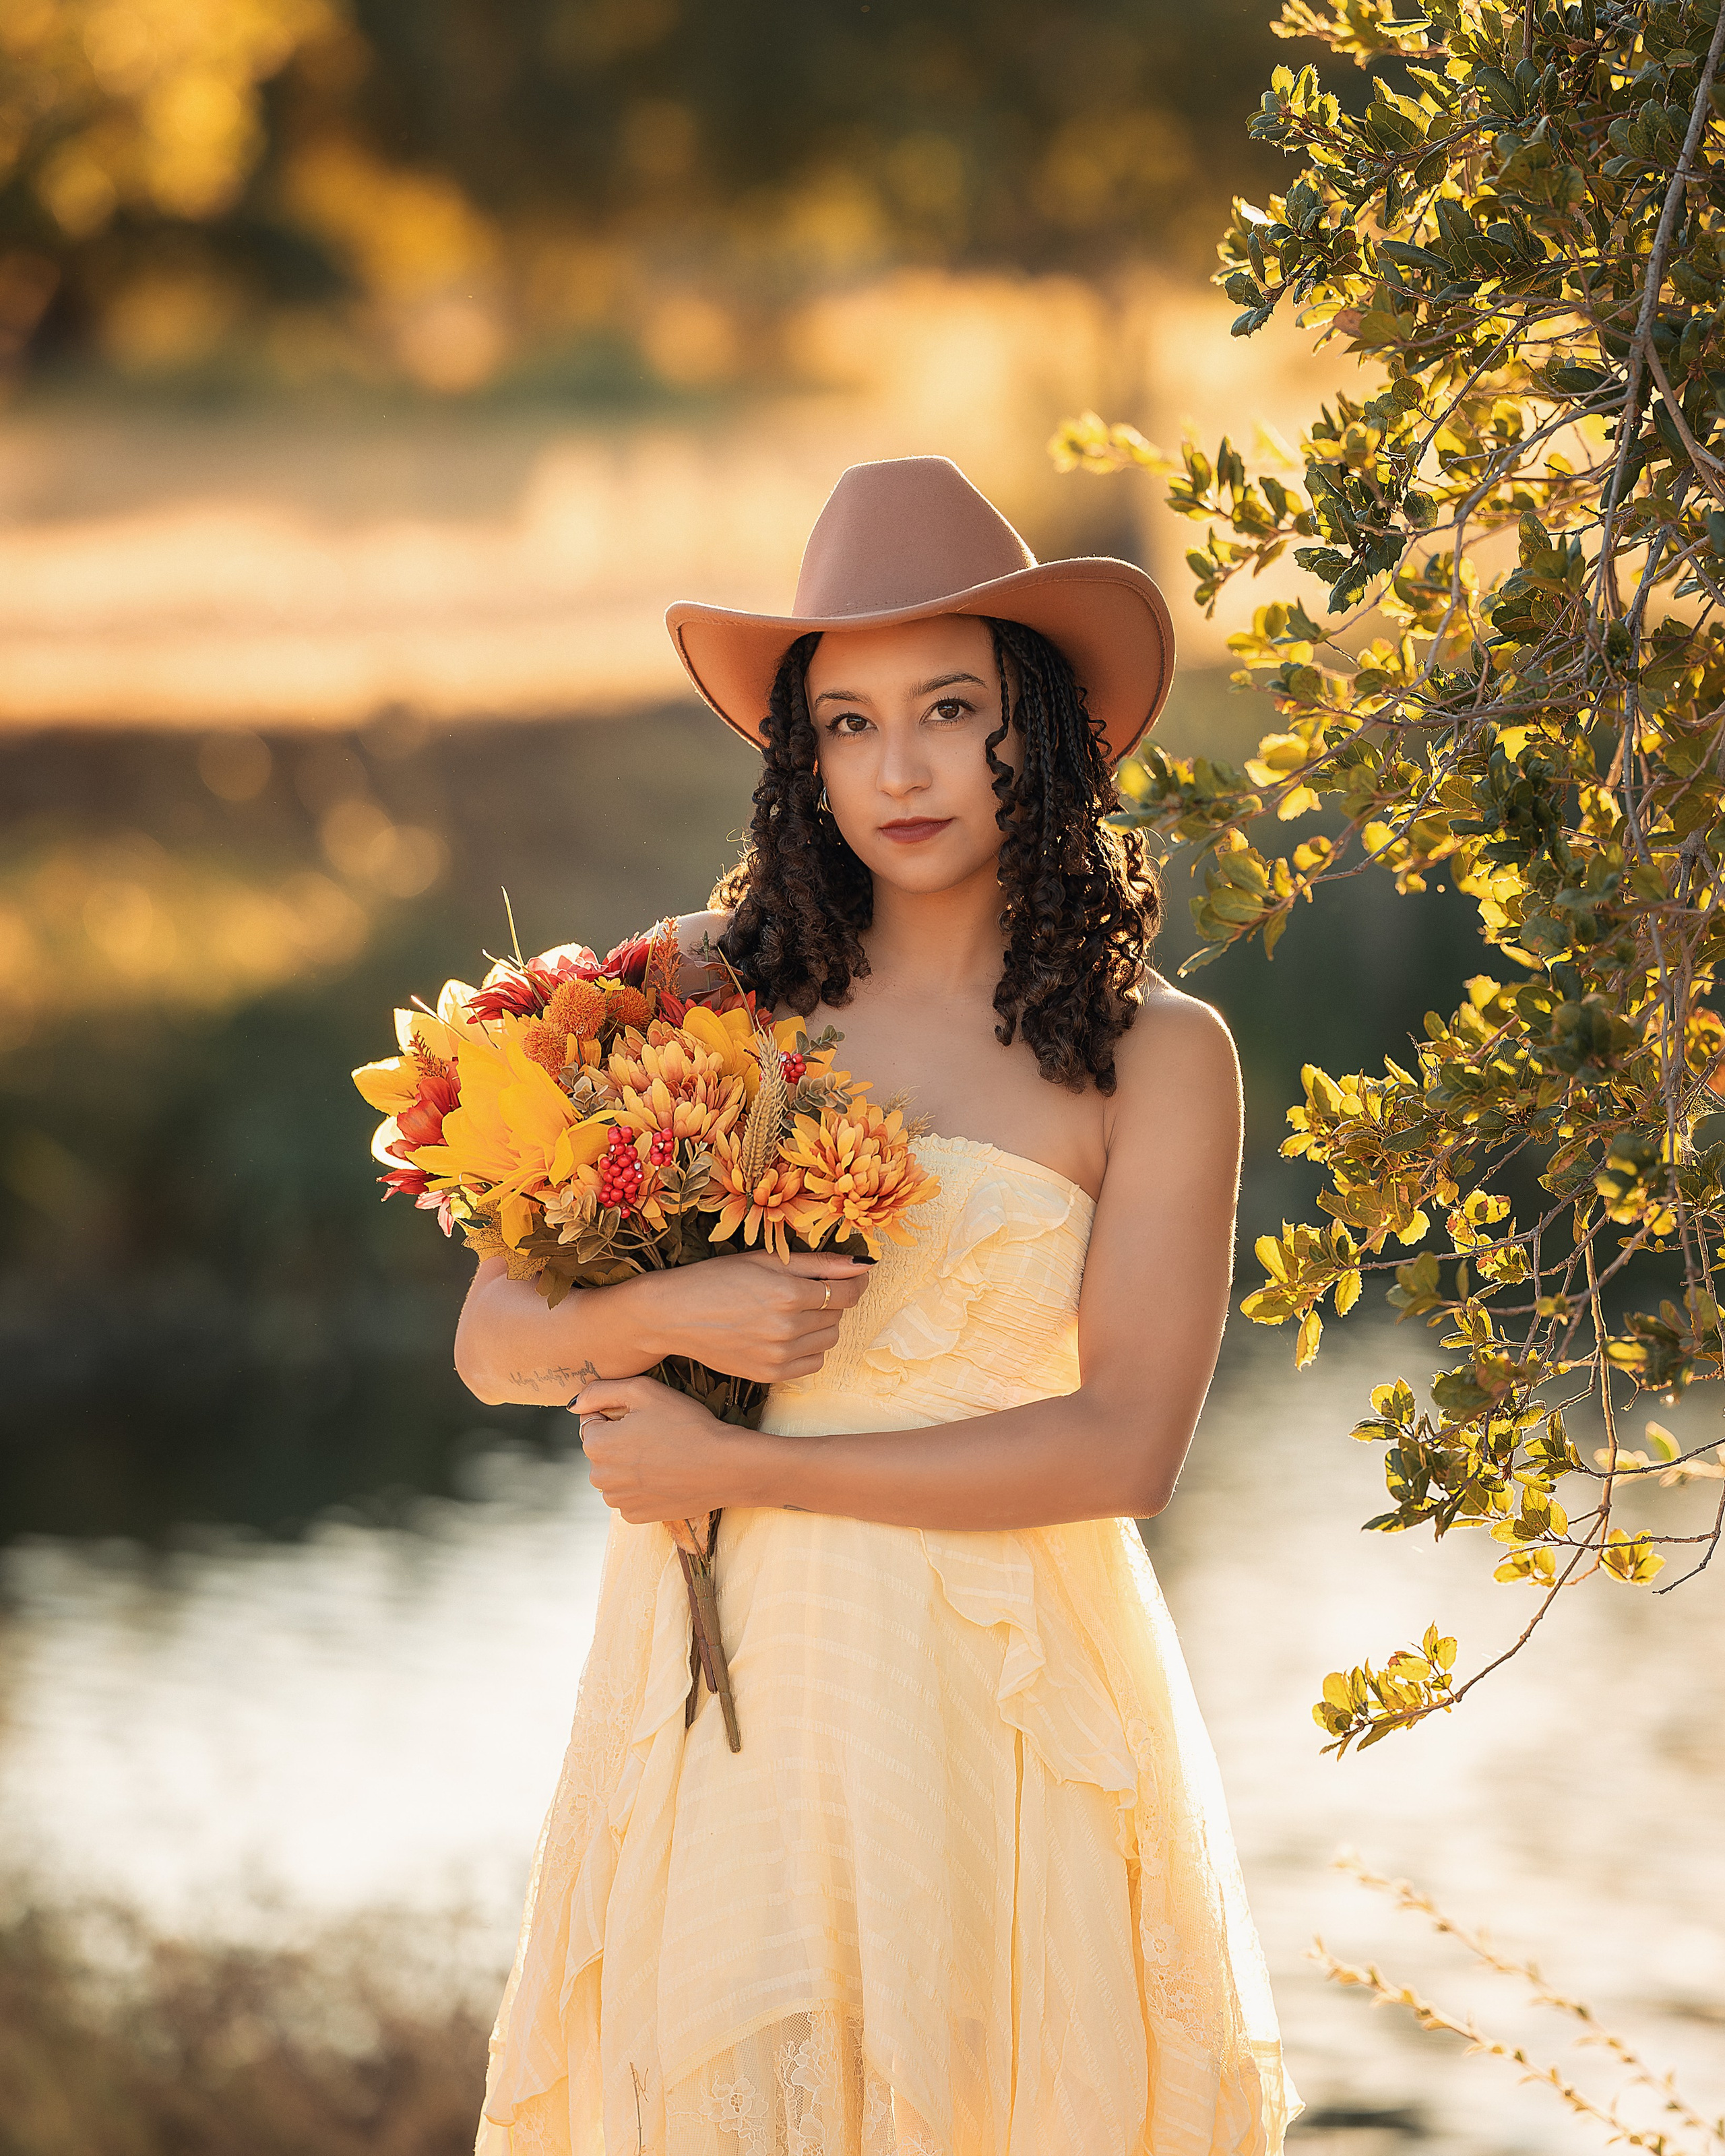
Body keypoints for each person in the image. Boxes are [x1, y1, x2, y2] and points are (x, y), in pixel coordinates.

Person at [454, 457, 1298, 2155]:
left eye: (946, 708)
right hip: (725, 1691)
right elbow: (495, 1346)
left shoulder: (1161, 1054)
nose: (896, 767)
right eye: (843, 721)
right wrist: (682, 1298)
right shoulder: (698, 990)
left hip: (999, 1701)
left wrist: (738, 1464)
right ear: (799, 755)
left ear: (1037, 724)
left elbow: (1123, 1446)